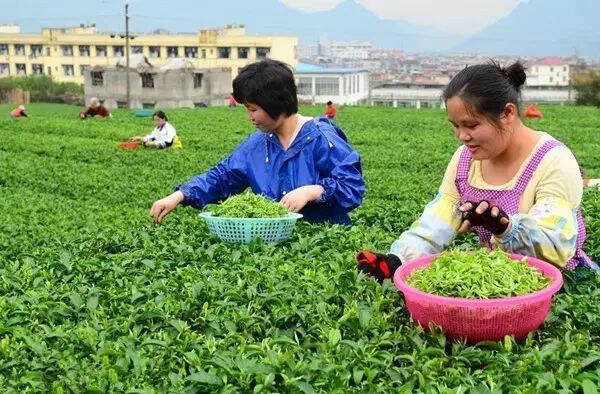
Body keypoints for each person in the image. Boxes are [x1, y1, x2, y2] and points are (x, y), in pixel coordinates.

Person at [357, 61, 598, 283]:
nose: (462, 136)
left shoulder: (554, 161)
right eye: (456, 126)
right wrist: (397, 260)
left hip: (559, 283)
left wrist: (505, 228)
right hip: (498, 277)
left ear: (508, 113)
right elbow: (438, 219)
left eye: (471, 125)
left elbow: (556, 246)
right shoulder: (465, 160)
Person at [150, 59, 365, 225]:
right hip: (276, 247)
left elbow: (352, 186)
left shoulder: (322, 138)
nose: (249, 117)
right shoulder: (257, 145)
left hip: (324, 243)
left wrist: (313, 191)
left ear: (276, 103)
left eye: (253, 109)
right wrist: (179, 196)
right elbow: (223, 176)